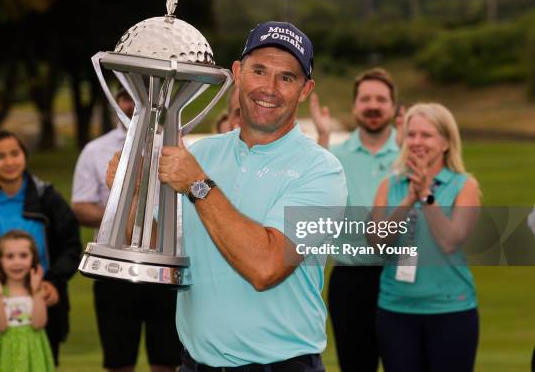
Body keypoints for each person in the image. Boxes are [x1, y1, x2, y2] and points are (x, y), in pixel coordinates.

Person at [107, 21, 347, 369]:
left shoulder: (322, 171)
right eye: (259, 70)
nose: (269, 88)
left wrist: (199, 187)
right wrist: (129, 198)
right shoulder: (202, 154)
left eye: (287, 77)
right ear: (237, 73)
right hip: (195, 363)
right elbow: (162, 249)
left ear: (305, 89)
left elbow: (266, 267)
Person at [71, 89, 181, 372]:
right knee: (119, 362)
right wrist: (122, 215)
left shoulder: (175, 145)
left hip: (164, 267)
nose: (134, 105)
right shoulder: (95, 150)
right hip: (115, 269)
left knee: (167, 361)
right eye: (127, 97)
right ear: (115, 102)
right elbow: (81, 206)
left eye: (142, 97)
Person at [370, 103, 480, 371]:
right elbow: (376, 243)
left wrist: (426, 197)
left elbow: (451, 239)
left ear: (445, 142)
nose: (417, 142)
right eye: (412, 134)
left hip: (450, 311)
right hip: (395, 311)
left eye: (427, 135)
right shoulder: (390, 184)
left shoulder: (465, 185)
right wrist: (408, 200)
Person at [0, 129, 81, 365]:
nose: (9, 162)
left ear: (24, 156)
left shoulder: (48, 198)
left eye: (15, 153)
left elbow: (71, 246)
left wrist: (54, 282)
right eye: (0, 156)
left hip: (41, 297)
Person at [310, 68, 402, 371]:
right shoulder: (334, 155)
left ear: (394, 108)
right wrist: (322, 138)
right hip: (350, 282)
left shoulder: (410, 154)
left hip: (400, 278)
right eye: (366, 99)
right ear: (355, 107)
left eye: (381, 99)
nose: (373, 106)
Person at [0, 230, 55, 371]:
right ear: (0, 260)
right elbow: (0, 327)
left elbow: (38, 324)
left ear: (33, 258)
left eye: (23, 256)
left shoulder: (37, 290)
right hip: (1, 352)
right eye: (10, 256)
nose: (17, 262)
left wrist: (37, 292)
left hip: (30, 352)